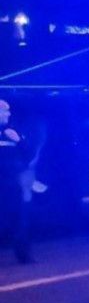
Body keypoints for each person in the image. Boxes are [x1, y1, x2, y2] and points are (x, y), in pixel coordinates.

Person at [0, 99, 35, 263]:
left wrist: (19, 141)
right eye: (5, 110)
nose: (8, 113)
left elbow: (28, 156)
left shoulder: (12, 133)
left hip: (12, 186)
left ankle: (24, 255)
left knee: (20, 220)